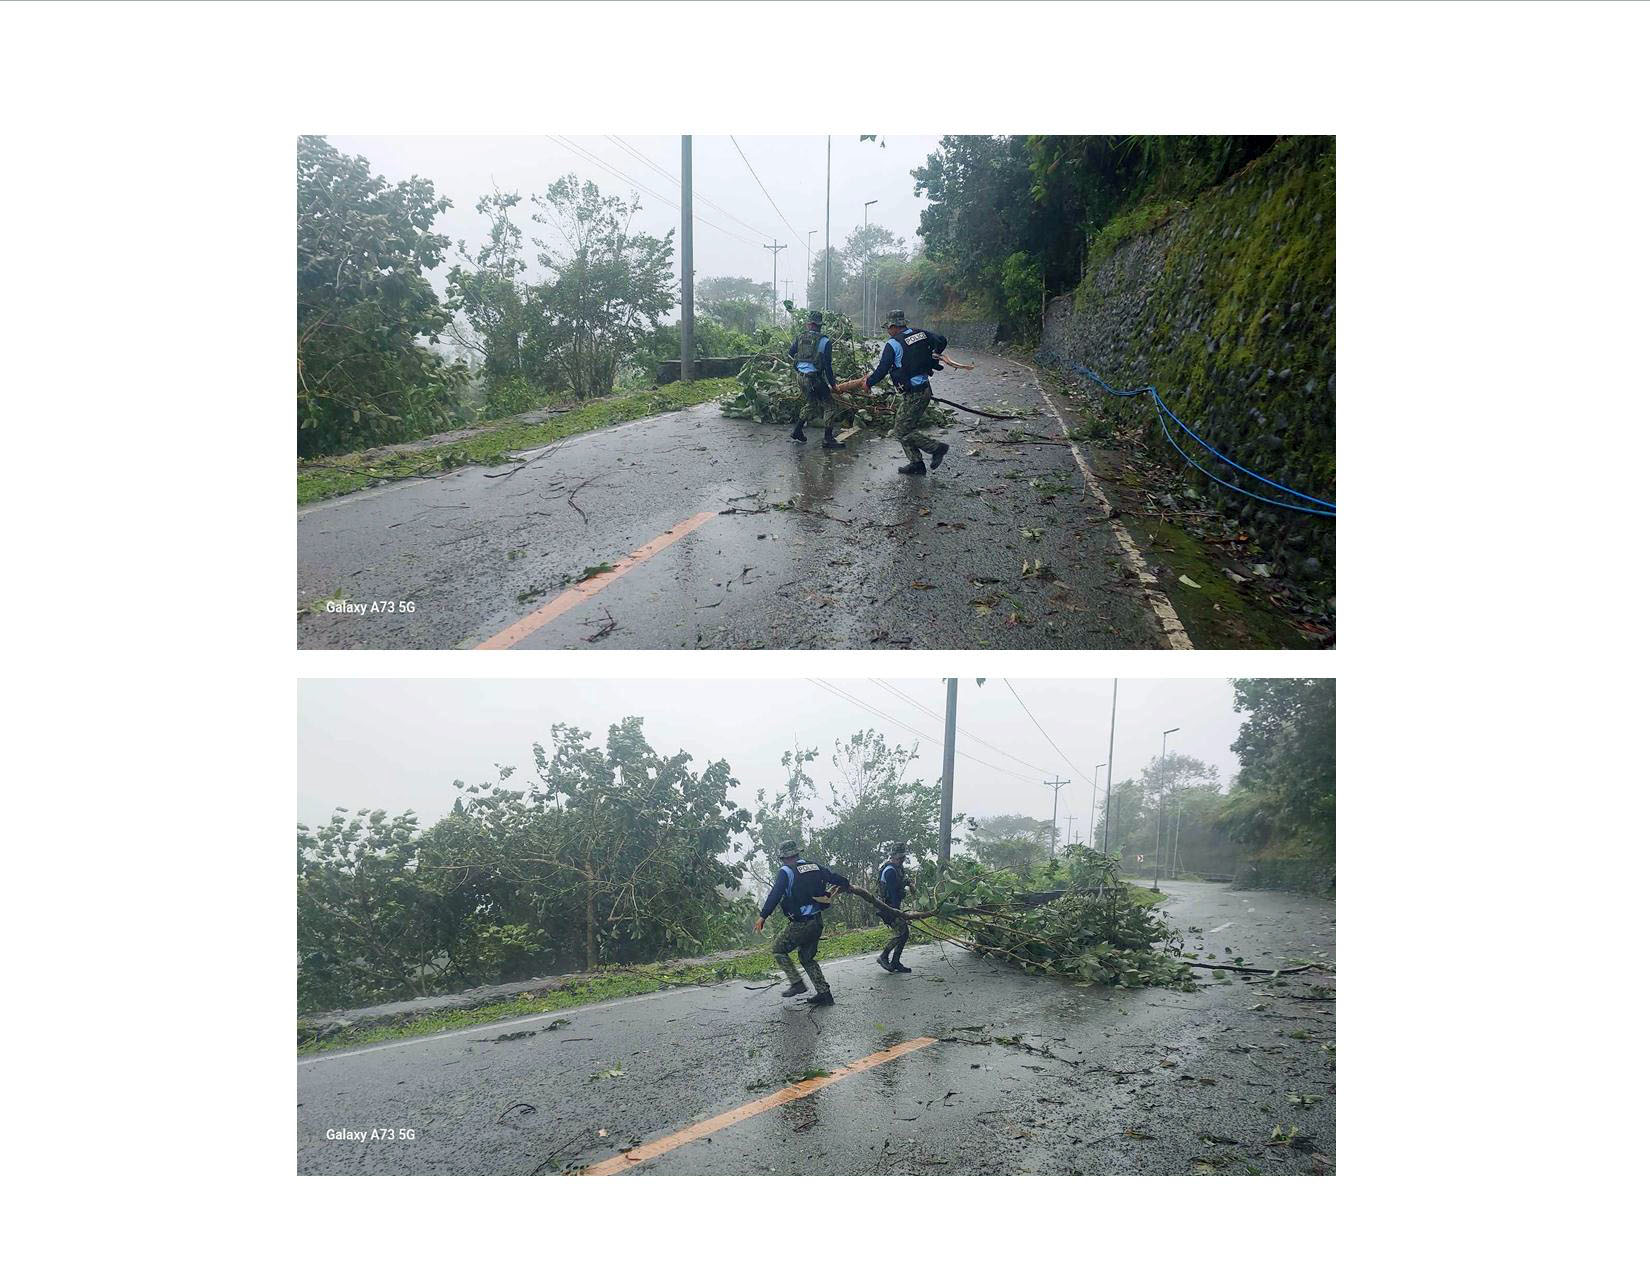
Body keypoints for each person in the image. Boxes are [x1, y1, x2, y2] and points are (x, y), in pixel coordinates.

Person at [833, 309, 950, 475]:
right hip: (923, 389)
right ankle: (916, 464)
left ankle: (936, 448)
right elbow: (942, 340)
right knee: (904, 426)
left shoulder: (893, 344)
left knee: (901, 430)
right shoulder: (920, 333)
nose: (887, 331)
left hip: (915, 393)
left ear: (894, 326)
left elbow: (882, 369)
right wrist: (935, 355)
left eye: (888, 328)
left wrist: (869, 383)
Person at [755, 841, 851, 1006]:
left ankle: (797, 984)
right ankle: (824, 994)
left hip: (801, 924)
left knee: (778, 949)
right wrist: (846, 885)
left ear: (784, 857)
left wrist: (763, 916)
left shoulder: (786, 871)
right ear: (797, 854)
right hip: (817, 922)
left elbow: (775, 895)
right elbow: (835, 877)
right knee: (807, 958)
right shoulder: (814, 866)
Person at [787, 311, 849, 450]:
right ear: (820, 325)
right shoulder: (825, 341)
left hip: (800, 377)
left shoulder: (800, 337)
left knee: (812, 403)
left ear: (809, 324)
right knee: (830, 405)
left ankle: (797, 431)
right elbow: (827, 367)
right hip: (814, 379)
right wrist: (833, 385)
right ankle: (828, 439)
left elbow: (790, 353)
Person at [875, 843, 913, 973]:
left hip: (894, 906)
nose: (901, 860)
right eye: (899, 858)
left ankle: (895, 961)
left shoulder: (899, 868)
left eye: (902, 858)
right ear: (893, 857)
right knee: (902, 933)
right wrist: (899, 913)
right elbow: (893, 894)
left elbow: (901, 884)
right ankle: (884, 956)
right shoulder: (890, 871)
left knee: (904, 933)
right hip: (888, 907)